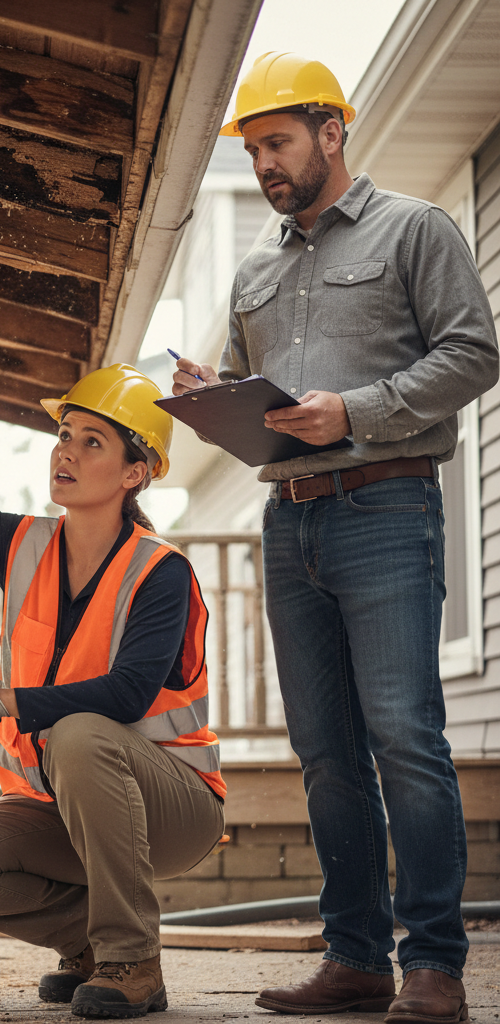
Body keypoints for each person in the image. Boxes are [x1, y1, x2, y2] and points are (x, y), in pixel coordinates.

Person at [172, 51, 499, 1024]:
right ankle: (354, 957)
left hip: (387, 511)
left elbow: (474, 350)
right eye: (254, 149)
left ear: (330, 131)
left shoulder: (415, 229)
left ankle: (433, 965)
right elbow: (247, 389)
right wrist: (206, 398)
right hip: (289, 520)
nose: (266, 163)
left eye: (277, 142)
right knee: (324, 751)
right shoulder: (255, 270)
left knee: (405, 737)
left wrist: (356, 408)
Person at [0, 316, 226, 1020]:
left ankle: (133, 960)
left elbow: (127, 695)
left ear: (135, 473)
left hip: (172, 805)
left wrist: (7, 702)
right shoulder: (21, 544)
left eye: (91, 441)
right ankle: (90, 947)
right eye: (64, 435)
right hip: (63, 807)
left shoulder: (161, 574)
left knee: (79, 731)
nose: (64, 452)